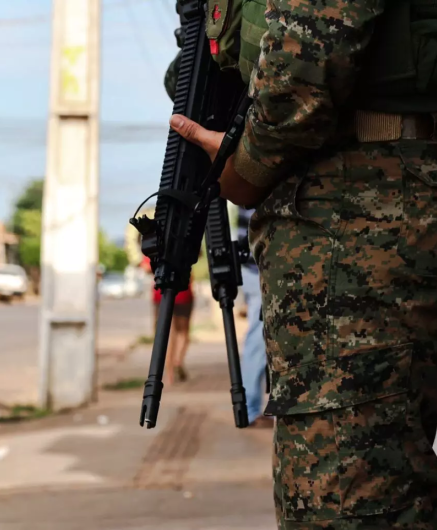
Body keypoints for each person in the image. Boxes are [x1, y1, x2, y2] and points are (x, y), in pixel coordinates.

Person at [167, 0, 437, 528]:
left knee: (347, 504)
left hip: (364, 206)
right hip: (376, 199)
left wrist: (247, 165)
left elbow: (307, 46)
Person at [237, 206, 270, 429]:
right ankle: (248, 410)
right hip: (258, 269)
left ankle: (250, 409)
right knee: (258, 342)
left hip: (257, 267)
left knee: (260, 340)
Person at [141, 255, 194, 385]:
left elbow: (146, 266)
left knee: (167, 334)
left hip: (161, 293)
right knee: (183, 332)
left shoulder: (157, 244)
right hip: (183, 292)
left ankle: (169, 373)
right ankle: (178, 360)